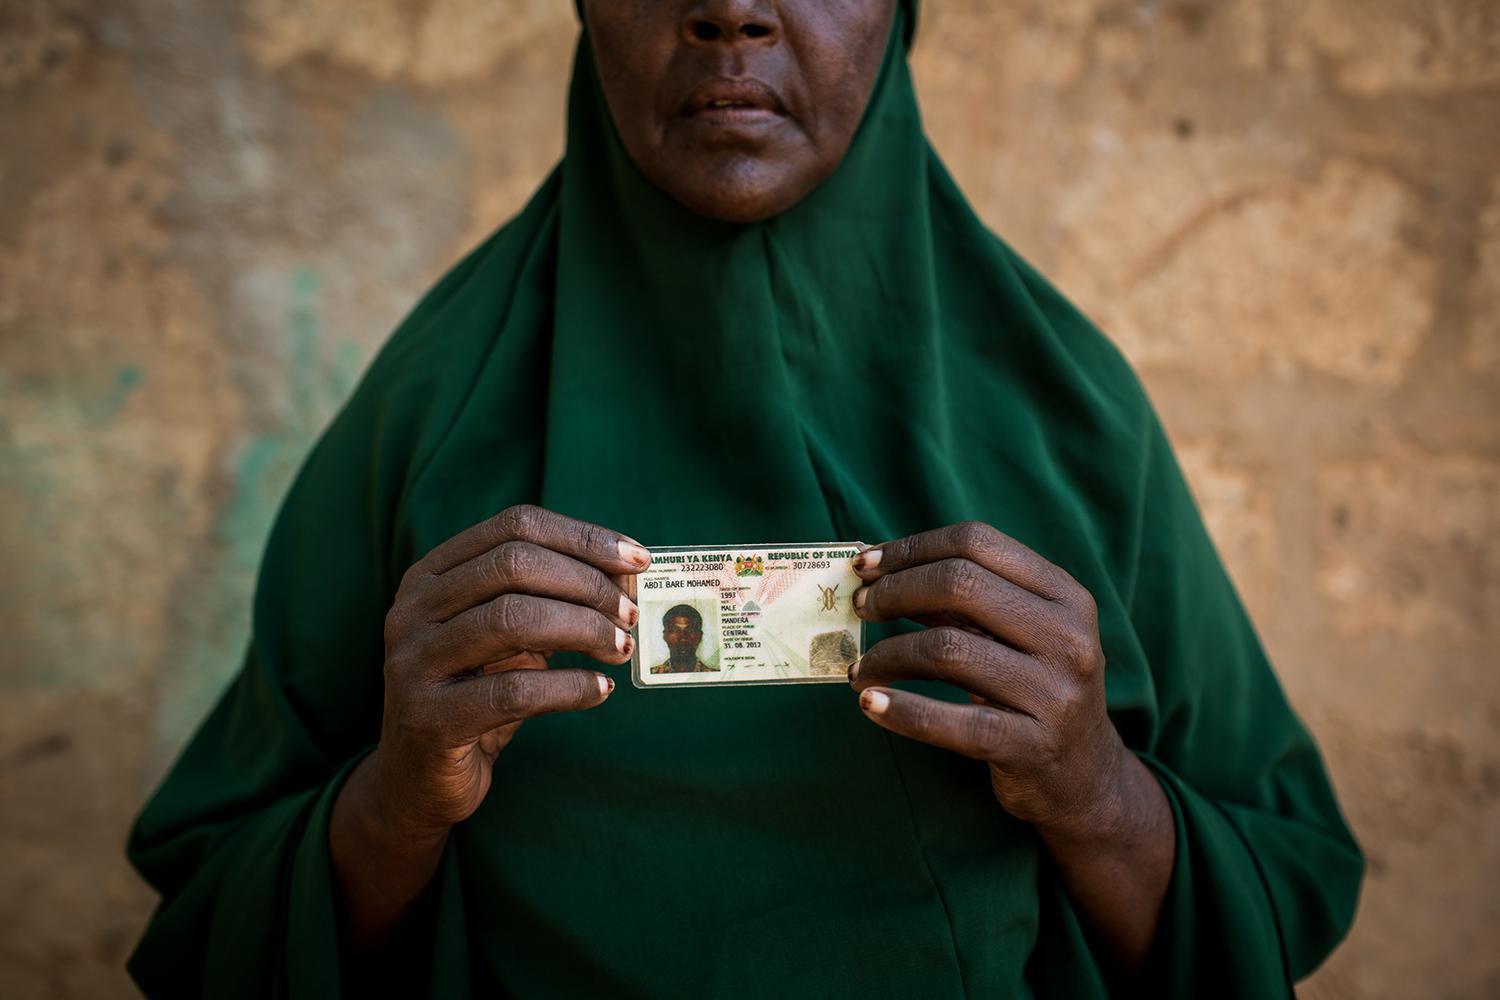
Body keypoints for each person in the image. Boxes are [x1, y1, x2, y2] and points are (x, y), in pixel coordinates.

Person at [126, 1, 1363, 997]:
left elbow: (1286, 879)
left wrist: (1096, 792)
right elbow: (213, 913)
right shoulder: (434, 406)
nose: (730, 14)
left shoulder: (1068, 410)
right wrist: (397, 801)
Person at [650, 603, 718, 674]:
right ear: (665, 636)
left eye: (690, 630)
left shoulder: (716, 677)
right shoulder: (650, 676)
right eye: (675, 630)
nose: (683, 638)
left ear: (700, 636)